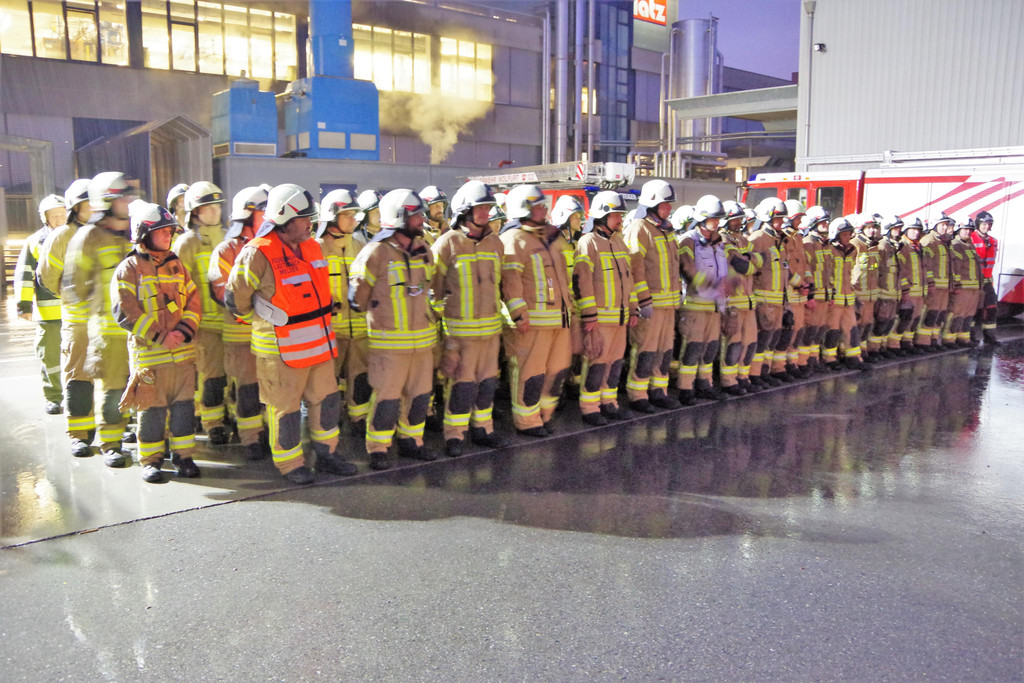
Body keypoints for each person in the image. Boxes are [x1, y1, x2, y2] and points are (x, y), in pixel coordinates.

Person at [226, 183, 357, 485]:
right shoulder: (257, 252)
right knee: (285, 410)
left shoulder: (312, 246)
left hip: (319, 345)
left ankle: (327, 454)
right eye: (304, 218)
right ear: (285, 219)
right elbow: (235, 298)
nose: (310, 223)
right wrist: (262, 321)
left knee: (327, 402)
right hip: (281, 350)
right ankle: (290, 464)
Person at [112, 203, 202, 483]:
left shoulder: (177, 264)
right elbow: (125, 311)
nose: (168, 235)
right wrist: (161, 336)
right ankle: (151, 461)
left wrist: (183, 332)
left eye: (170, 231)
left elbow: (193, 301)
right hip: (150, 358)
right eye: (161, 231)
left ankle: (184, 457)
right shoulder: (129, 268)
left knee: (184, 408)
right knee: (151, 410)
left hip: (182, 354)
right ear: (143, 234)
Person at [349, 189, 439, 468]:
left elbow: (430, 287)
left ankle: (412, 441)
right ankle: (378, 448)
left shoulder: (424, 250)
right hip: (389, 344)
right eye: (416, 215)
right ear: (398, 218)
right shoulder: (374, 252)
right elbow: (357, 299)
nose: (421, 219)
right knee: (386, 399)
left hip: (422, 343)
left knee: (419, 396)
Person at [61, 172, 135, 466]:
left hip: (138, 329)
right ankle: (110, 443)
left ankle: (135, 438)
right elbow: (74, 287)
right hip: (108, 330)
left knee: (133, 387)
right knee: (113, 388)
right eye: (121, 198)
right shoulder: (88, 237)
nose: (127, 202)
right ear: (105, 202)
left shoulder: (132, 233)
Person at [430, 180, 507, 454]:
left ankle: (483, 429)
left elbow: (502, 285)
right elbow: (433, 291)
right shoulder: (447, 243)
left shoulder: (495, 243)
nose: (486, 212)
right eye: (480, 208)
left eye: (488, 207)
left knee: (487, 385)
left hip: (490, 333)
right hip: (460, 334)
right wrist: (445, 335)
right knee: (461, 387)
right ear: (464, 211)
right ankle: (455, 435)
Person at [499, 184, 575, 435]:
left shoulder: (550, 238)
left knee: (555, 372)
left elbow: (564, 278)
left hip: (558, 320)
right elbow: (510, 281)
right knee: (530, 374)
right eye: (538, 206)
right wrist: (519, 315)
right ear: (523, 209)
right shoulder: (513, 239)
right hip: (532, 322)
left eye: (543, 206)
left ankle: (544, 415)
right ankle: (527, 421)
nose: (543, 210)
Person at [208, 186, 269, 461]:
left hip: (269, 335)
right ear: (247, 214)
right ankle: (251, 437)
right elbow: (222, 292)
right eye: (264, 212)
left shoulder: (270, 246)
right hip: (240, 335)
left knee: (270, 387)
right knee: (248, 389)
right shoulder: (226, 250)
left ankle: (268, 432)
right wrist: (260, 307)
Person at [37, 179, 94, 452]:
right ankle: (80, 433)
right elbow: (47, 277)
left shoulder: (109, 233)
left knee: (113, 377)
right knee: (79, 376)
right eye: (88, 203)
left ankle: (113, 437)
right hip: (78, 321)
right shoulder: (61, 236)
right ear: (75, 207)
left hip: (107, 321)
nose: (94, 207)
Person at [572, 190, 636, 424]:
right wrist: (589, 317)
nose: (620, 219)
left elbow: (628, 280)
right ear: (602, 216)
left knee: (615, 363)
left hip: (620, 318)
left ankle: (609, 403)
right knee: (596, 364)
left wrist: (633, 308)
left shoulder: (619, 242)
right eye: (616, 215)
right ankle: (590, 408)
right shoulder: (588, 242)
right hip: (600, 320)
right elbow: (582, 281)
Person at [173, 181, 229, 444]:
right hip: (205, 326)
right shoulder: (186, 244)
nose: (215, 211)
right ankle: (212, 423)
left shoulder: (229, 238)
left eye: (217, 206)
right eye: (208, 207)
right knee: (211, 377)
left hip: (233, 322)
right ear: (194, 212)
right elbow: (177, 286)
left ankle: (232, 417)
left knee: (235, 377)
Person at [314, 188, 371, 435]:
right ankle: (328, 423)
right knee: (328, 382)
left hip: (360, 329)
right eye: (347, 214)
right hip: (329, 332)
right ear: (331, 216)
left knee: (360, 379)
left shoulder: (360, 245)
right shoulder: (315, 248)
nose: (353, 219)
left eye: (354, 214)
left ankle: (359, 420)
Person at [622, 179, 680, 412]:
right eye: (665, 204)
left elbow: (674, 267)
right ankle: (638, 395)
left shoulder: (667, 230)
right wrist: (643, 300)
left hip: (668, 305)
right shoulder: (639, 228)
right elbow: (635, 268)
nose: (669, 208)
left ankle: (659, 391)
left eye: (669, 204)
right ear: (652, 204)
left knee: (664, 351)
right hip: (651, 305)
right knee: (645, 350)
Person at [675, 194, 736, 404]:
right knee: (693, 348)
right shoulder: (688, 241)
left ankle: (705, 384)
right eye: (713, 218)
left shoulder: (718, 243)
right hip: (695, 307)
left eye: (718, 218)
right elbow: (688, 271)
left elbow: (723, 273)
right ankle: (685, 388)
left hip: (715, 307)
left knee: (710, 349)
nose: (717, 222)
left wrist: (726, 299)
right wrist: (713, 287)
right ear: (702, 218)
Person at [15, 194, 66, 414]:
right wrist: (24, 305)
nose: (59, 219)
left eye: (62, 214)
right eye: (54, 216)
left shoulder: (79, 238)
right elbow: (24, 273)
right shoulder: (34, 241)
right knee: (50, 357)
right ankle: (53, 397)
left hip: (78, 312)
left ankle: (82, 398)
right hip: (48, 314)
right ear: (45, 218)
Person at [718, 200, 763, 394]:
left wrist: (750, 260)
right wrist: (751, 262)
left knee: (749, 343)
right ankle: (728, 381)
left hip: (749, 302)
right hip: (734, 302)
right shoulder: (722, 239)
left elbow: (760, 260)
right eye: (734, 219)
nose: (738, 223)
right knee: (733, 344)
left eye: (739, 219)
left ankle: (743, 377)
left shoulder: (743, 239)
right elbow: (740, 265)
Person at [746, 198, 790, 386]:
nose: (781, 222)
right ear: (767, 218)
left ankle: (765, 371)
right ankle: (754, 374)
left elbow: (784, 271)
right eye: (777, 219)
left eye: (782, 219)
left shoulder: (779, 240)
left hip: (778, 301)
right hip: (763, 301)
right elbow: (749, 268)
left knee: (772, 339)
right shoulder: (757, 239)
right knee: (761, 339)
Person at [780, 200, 813, 378]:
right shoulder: (782, 238)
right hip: (789, 295)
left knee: (798, 331)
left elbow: (804, 264)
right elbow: (785, 266)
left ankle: (792, 364)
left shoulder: (798, 237)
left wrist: (808, 282)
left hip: (800, 294)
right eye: (797, 218)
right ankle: (780, 367)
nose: (800, 222)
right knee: (787, 333)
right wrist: (799, 283)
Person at [800, 206, 833, 372]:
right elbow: (807, 270)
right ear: (813, 223)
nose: (826, 225)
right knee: (809, 332)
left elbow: (829, 271)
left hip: (824, 295)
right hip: (815, 296)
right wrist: (810, 295)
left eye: (827, 222)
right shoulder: (808, 243)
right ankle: (803, 363)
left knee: (819, 331)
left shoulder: (824, 244)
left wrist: (831, 294)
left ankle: (813, 360)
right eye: (822, 222)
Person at [917, 212, 954, 350]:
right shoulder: (929, 241)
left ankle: (933, 340)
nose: (945, 228)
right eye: (942, 225)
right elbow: (926, 265)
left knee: (939, 315)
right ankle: (922, 342)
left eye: (946, 225)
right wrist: (930, 283)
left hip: (943, 287)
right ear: (935, 225)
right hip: (934, 287)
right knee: (930, 314)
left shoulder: (943, 242)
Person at [850, 213, 882, 360]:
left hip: (870, 295)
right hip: (858, 294)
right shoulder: (855, 244)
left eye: (874, 227)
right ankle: (850, 354)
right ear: (861, 228)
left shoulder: (874, 247)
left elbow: (874, 270)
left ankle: (862, 352)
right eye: (868, 227)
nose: (872, 230)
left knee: (866, 324)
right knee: (854, 326)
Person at [948, 219, 984, 347]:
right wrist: (956, 284)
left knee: (968, 315)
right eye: (965, 229)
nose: (968, 232)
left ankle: (963, 338)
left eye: (970, 230)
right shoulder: (955, 245)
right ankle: (949, 339)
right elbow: (954, 267)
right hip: (962, 288)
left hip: (973, 288)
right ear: (958, 230)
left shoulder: (970, 245)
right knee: (956, 314)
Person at [896, 217, 930, 354]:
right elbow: (901, 270)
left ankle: (907, 342)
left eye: (918, 230)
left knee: (914, 319)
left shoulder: (918, 246)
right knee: (903, 319)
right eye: (913, 229)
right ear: (906, 230)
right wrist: (905, 290)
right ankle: (895, 344)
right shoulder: (903, 246)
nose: (916, 232)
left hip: (919, 291)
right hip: (910, 291)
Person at [970, 210, 999, 345]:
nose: (987, 227)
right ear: (978, 224)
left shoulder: (993, 241)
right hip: (974, 282)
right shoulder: (971, 238)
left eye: (989, 224)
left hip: (987, 282)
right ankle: (969, 336)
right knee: (972, 310)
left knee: (991, 308)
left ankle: (989, 337)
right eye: (984, 224)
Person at [876, 215, 904, 356]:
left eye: (899, 228)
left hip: (893, 293)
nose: (898, 231)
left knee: (889, 322)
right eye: (895, 228)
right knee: (881, 323)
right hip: (884, 293)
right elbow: (874, 267)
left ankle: (883, 347)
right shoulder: (882, 246)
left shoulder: (895, 246)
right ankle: (874, 349)